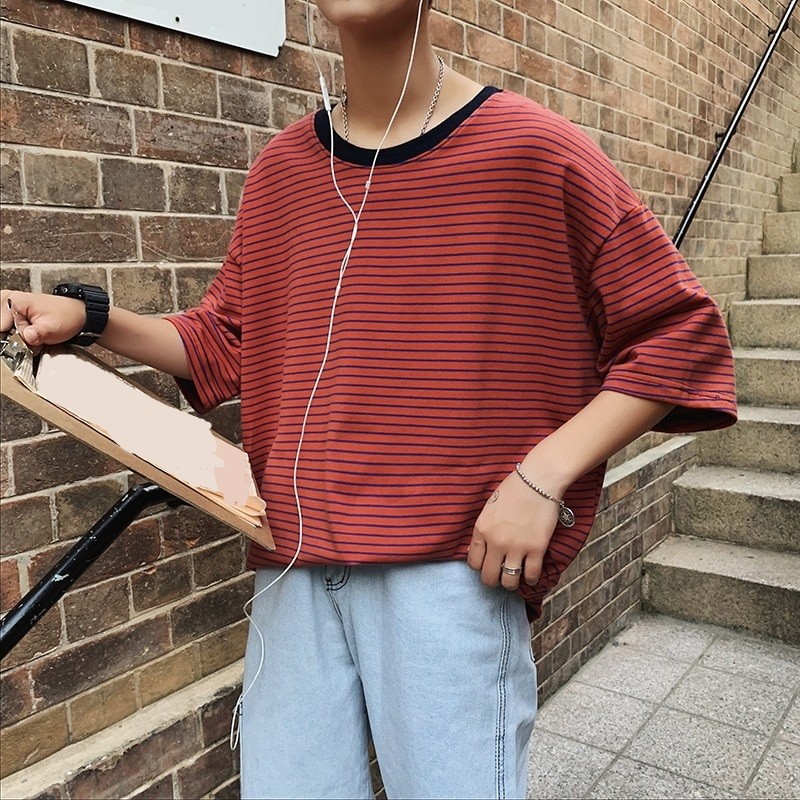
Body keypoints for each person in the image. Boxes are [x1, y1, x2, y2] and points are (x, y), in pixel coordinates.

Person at [0, 1, 737, 797]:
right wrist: (91, 319)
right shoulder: (283, 169)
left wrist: (543, 475)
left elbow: (681, 333)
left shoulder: (534, 152)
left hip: (450, 571)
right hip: (294, 568)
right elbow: (227, 338)